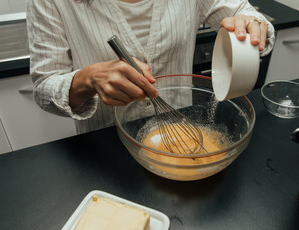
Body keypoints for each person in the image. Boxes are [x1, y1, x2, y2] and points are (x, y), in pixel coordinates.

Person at [26, 0, 275, 134]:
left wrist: (252, 24)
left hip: (183, 130)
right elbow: (43, 88)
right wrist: (89, 78)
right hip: (105, 147)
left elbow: (249, 16)